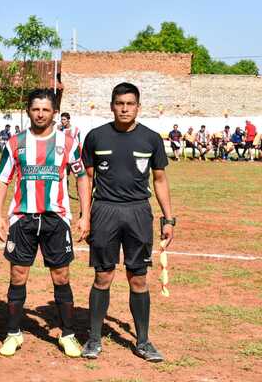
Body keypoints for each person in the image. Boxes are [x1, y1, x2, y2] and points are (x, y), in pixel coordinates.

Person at [80, 82, 174, 363]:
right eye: (119, 103)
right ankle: (94, 339)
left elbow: (159, 179)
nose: (124, 108)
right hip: (105, 212)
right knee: (103, 276)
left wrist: (168, 218)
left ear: (138, 107)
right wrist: (86, 215)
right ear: (111, 106)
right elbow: (86, 179)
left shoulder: (151, 139)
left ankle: (143, 341)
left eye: (130, 104)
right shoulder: (96, 137)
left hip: (138, 213)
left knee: (139, 279)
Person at [0, 89, 91, 358]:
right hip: (23, 219)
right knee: (17, 275)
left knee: (61, 276)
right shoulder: (14, 143)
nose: (40, 114)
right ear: (28, 111)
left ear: (54, 113)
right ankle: (13, 333)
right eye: (36, 109)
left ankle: (67, 334)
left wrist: (85, 214)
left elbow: (82, 177)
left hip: (55, 219)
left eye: (46, 110)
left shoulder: (68, 142)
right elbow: (2, 179)